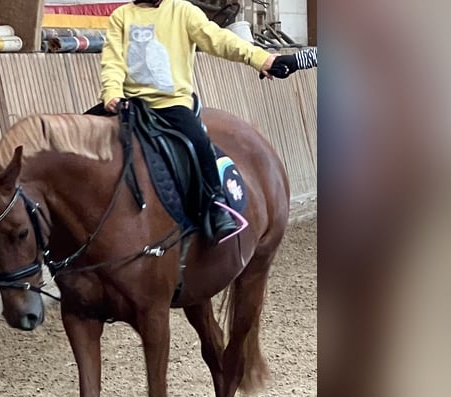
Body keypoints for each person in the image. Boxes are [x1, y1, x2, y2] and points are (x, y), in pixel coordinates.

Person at [89, 0, 297, 243]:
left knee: (199, 143)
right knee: (81, 134)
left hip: (171, 103)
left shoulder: (182, 11)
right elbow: (113, 60)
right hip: (130, 103)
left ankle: (215, 206)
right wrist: (112, 93)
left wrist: (261, 60)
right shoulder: (121, 16)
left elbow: (220, 40)